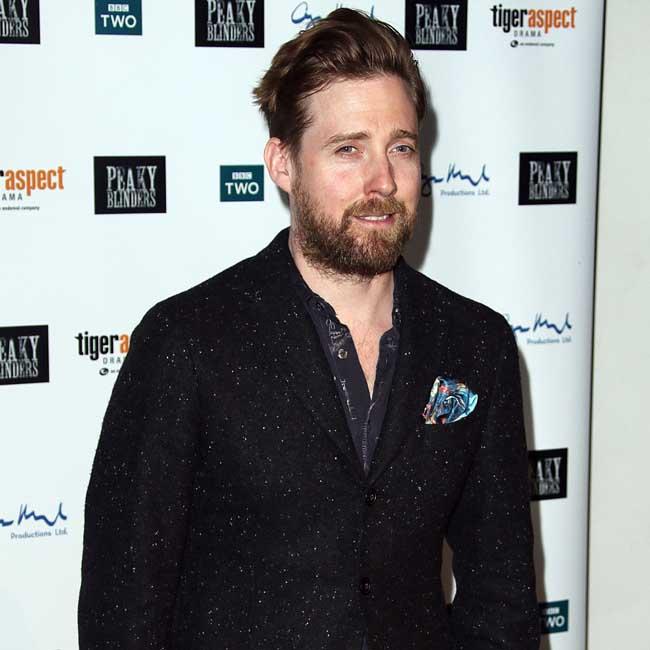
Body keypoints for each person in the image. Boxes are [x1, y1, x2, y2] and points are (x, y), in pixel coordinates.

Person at [78, 9, 539, 650]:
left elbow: (503, 597)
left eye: (401, 147)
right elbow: (123, 608)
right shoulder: (188, 340)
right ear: (283, 163)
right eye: (349, 149)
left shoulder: (475, 343)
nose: (383, 181)